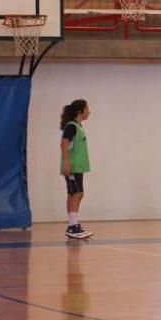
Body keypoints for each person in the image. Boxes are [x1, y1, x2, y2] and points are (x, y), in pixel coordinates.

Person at [61, 100, 94, 240]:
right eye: (87, 109)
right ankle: (73, 227)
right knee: (77, 194)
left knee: (74, 194)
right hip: (72, 167)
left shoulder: (78, 127)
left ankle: (72, 225)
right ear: (80, 111)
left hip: (77, 167)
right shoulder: (71, 127)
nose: (89, 111)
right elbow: (64, 144)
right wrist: (66, 163)